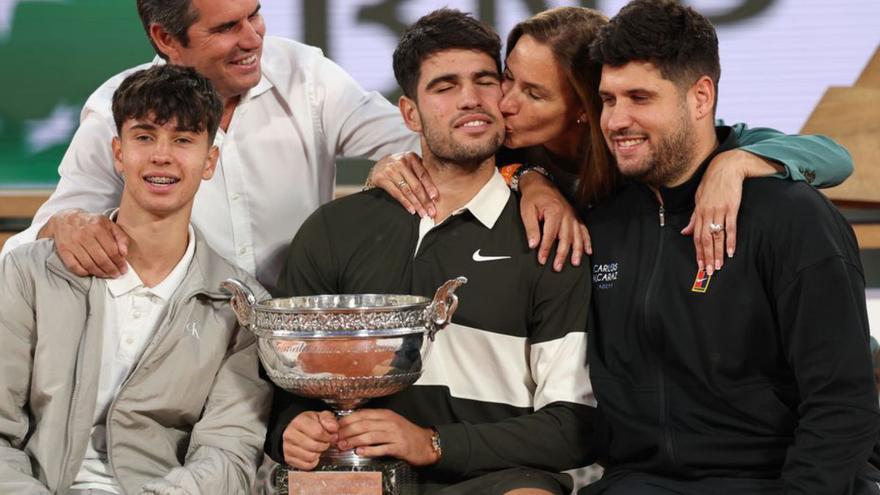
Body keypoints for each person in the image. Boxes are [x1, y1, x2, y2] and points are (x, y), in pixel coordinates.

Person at [0, 0, 584, 288]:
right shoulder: (115, 108)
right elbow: (46, 227)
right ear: (164, 37)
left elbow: (433, 138)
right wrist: (70, 224)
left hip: (302, 340)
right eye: (227, 28)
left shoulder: (308, 74)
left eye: (255, 15)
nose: (252, 37)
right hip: (172, 345)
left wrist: (529, 177)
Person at [267, 9, 594, 494]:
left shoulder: (550, 233)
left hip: (500, 478)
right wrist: (292, 431)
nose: (470, 99)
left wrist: (434, 443)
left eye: (485, 81)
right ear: (409, 114)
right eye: (444, 87)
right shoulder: (334, 229)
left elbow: (574, 424)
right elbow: (284, 395)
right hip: (356, 477)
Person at [583, 1, 880, 493]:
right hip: (639, 483)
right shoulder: (603, 222)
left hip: (778, 481)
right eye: (608, 99)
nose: (616, 120)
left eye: (639, 97)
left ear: (701, 98)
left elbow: (842, 404)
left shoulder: (791, 216)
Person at [370, 6, 853, 274]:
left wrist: (734, 165)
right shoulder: (508, 149)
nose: (504, 102)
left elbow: (833, 157)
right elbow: (443, 155)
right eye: (507, 79)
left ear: (585, 108)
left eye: (534, 93)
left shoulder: (659, 150)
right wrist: (530, 178)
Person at [0, 65, 271, 494]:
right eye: (144, 137)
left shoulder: (241, 304)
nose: (161, 155)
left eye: (183, 140)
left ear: (209, 161)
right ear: (118, 153)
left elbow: (228, 451)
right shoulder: (29, 272)